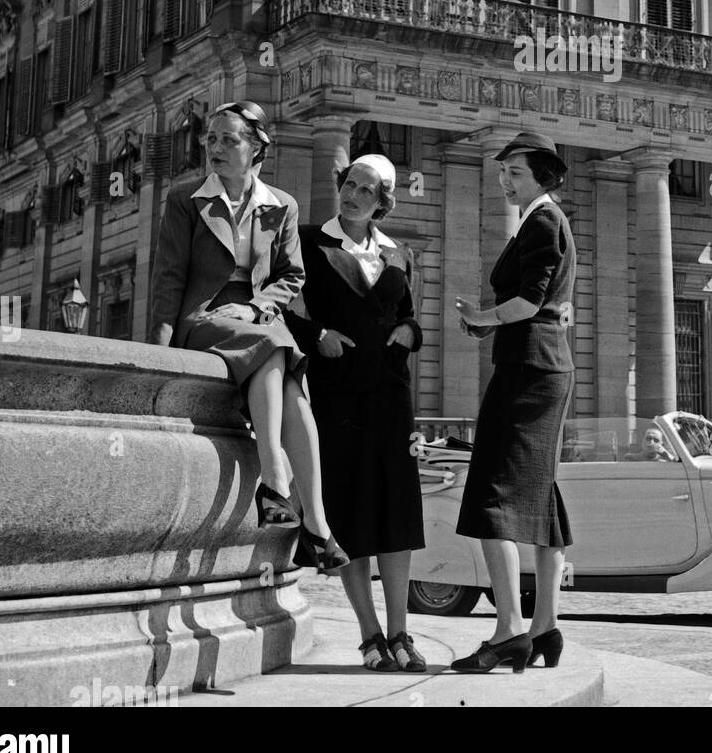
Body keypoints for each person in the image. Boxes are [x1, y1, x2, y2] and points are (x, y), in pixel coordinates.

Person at [148, 100, 349, 574]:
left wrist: (258, 306)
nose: (215, 148)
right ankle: (279, 484)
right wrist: (158, 353)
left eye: (228, 139)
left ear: (256, 148)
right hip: (205, 315)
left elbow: (292, 275)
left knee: (295, 393)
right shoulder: (185, 198)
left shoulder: (281, 205)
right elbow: (168, 279)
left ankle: (314, 525)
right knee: (279, 350)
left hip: (257, 318)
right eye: (211, 139)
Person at [287, 152, 428, 673]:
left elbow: (411, 315)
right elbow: (279, 301)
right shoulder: (306, 240)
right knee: (350, 514)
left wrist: (408, 334)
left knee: (395, 516)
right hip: (337, 393)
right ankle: (370, 636)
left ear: (383, 202)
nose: (352, 195)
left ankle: (401, 633)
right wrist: (316, 335)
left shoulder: (400, 253)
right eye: (349, 184)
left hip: (391, 395)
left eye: (366, 191)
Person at [451, 131, 576, 673]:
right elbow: (546, 302)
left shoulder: (545, 220)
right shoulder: (542, 219)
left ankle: (508, 631)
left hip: (530, 369)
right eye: (502, 172)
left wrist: (483, 317)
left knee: (491, 495)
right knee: (541, 495)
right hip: (543, 361)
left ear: (544, 177)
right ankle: (545, 625)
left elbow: (530, 299)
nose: (505, 181)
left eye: (516, 174)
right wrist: (492, 327)